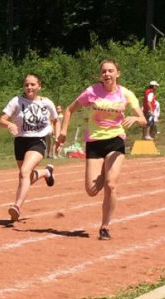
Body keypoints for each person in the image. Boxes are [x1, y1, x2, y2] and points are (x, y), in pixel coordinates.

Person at [58, 59, 146, 240]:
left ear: (117, 73)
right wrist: (63, 131)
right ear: (101, 75)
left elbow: (143, 119)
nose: (107, 74)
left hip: (115, 140)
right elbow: (69, 109)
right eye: (104, 71)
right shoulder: (92, 92)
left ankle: (105, 226)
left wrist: (135, 119)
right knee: (91, 190)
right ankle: (105, 172)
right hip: (95, 142)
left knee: (111, 185)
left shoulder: (126, 94)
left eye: (111, 71)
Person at [0, 73, 58, 222]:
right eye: (26, 84)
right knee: (26, 176)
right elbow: (1, 119)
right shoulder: (16, 101)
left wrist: (57, 138)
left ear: (39, 86)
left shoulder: (46, 103)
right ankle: (46, 172)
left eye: (32, 84)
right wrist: (9, 124)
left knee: (24, 172)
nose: (29, 87)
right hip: (20, 142)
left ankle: (17, 206)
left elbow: (56, 120)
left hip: (38, 141)